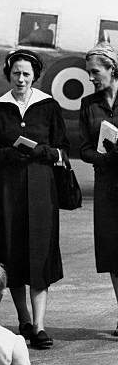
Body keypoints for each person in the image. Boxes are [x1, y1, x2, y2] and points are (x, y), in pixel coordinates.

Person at [0, 49, 69, 349]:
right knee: (12, 252)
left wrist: (44, 151)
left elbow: (63, 150)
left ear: (35, 76)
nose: (21, 78)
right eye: (16, 73)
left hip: (42, 191)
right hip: (7, 191)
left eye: (26, 73)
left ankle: (40, 326)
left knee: (39, 254)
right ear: (9, 74)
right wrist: (7, 154)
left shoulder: (48, 107)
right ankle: (24, 319)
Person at [80, 43, 118, 335]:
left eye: (95, 72)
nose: (91, 77)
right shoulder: (88, 104)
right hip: (106, 184)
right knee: (113, 254)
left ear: (112, 69)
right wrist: (101, 156)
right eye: (89, 72)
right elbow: (82, 148)